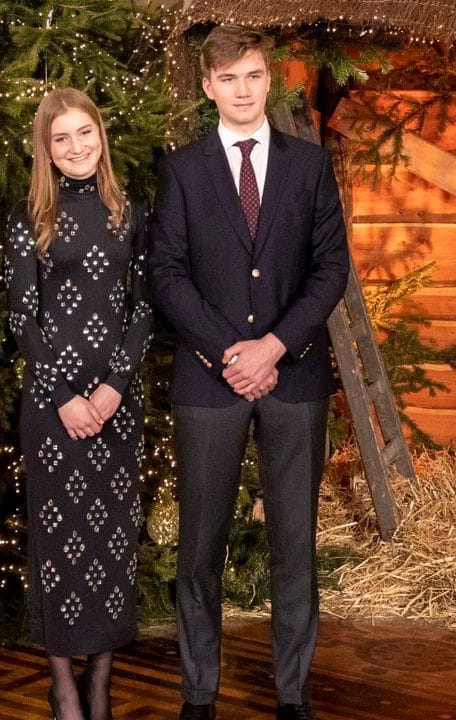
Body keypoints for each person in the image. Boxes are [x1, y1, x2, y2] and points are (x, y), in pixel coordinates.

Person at [148, 25, 348, 720]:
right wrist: (230, 350)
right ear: (209, 87)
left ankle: (292, 697)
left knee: (295, 542)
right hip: (210, 383)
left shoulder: (309, 166)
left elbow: (331, 271)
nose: (241, 89)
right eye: (228, 78)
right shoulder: (181, 170)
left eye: (254, 76)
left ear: (271, 81)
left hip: (294, 381)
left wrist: (275, 347)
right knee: (201, 547)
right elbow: (166, 275)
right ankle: (198, 696)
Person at [5, 87, 152, 720]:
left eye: (83, 134)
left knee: (112, 542)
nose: (75, 148)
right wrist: (65, 396)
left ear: (101, 136)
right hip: (53, 409)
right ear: (46, 148)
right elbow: (21, 318)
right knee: (60, 544)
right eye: (60, 139)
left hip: (119, 403)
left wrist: (115, 385)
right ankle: (64, 686)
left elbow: (145, 305)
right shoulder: (29, 215)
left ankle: (100, 683)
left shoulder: (130, 211)